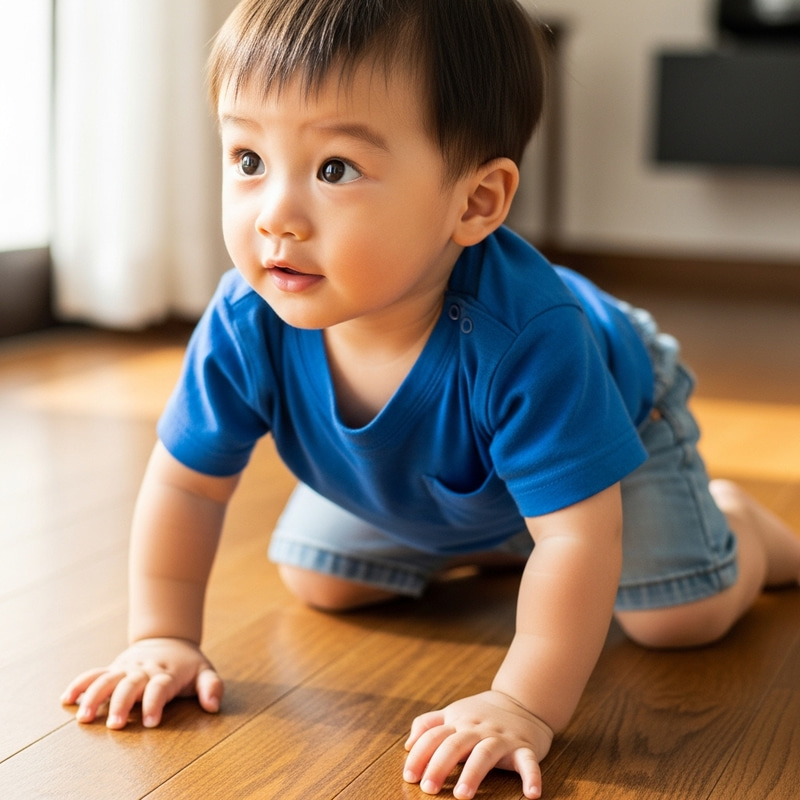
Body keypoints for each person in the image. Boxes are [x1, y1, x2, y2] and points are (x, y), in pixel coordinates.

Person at [61, 1, 800, 798]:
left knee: (672, 617)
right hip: (469, 474)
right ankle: (511, 528)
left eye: (334, 168)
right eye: (247, 158)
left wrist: (521, 704)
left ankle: (746, 532)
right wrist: (163, 637)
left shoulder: (527, 337)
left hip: (618, 416)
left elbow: (579, 542)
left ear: (475, 203)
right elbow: (186, 485)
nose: (274, 213)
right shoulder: (247, 318)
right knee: (325, 579)